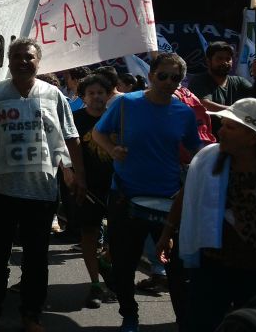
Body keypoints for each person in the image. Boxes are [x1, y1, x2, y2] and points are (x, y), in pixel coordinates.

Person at [0, 38, 85, 332]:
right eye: (17, 56)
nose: (23, 61)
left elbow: (71, 137)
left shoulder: (53, 95)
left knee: (36, 257)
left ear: (38, 62)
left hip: (41, 191)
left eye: (29, 57)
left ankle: (31, 314)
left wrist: (79, 174)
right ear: (9, 61)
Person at [92, 52, 203, 332]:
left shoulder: (183, 113)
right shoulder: (126, 104)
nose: (168, 82)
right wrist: (112, 150)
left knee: (177, 269)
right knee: (124, 264)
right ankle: (129, 316)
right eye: (163, 76)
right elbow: (98, 133)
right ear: (151, 75)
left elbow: (196, 151)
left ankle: (185, 322)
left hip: (169, 201)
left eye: (175, 78)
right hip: (126, 197)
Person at [156, 98, 256, 331]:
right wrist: (167, 232)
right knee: (200, 323)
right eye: (223, 124)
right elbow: (186, 195)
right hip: (213, 263)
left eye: (230, 127)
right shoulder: (208, 159)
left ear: (253, 138)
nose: (220, 131)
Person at [71, 74, 117, 309]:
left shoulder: (117, 117)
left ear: (108, 95)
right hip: (87, 187)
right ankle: (95, 284)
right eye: (91, 93)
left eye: (101, 92)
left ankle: (106, 261)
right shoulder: (75, 119)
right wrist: (70, 174)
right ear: (83, 97)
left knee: (120, 236)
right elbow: (63, 149)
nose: (96, 97)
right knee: (89, 233)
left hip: (117, 186)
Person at [188, 42, 253, 128]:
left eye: (228, 59)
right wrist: (237, 111)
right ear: (208, 61)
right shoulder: (199, 81)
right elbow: (204, 104)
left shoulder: (239, 81)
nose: (225, 62)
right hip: (209, 134)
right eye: (219, 59)